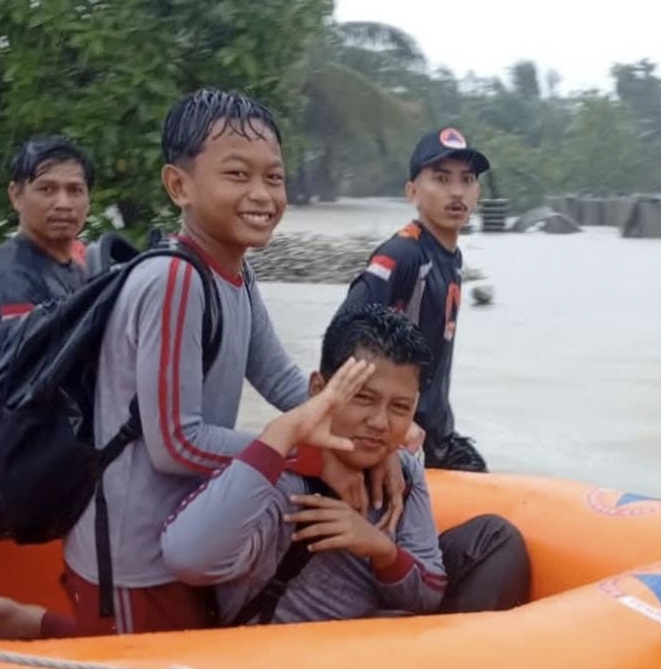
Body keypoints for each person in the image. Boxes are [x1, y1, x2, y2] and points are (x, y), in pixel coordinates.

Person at [59, 88, 399, 637]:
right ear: (180, 186)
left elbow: (283, 380)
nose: (262, 194)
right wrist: (309, 455)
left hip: (187, 534)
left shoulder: (236, 276)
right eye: (238, 175)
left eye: (274, 177)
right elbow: (175, 443)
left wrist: (363, 438)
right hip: (132, 556)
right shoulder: (174, 281)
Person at [161, 303, 531, 624]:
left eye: (399, 407)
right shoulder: (276, 482)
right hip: (287, 657)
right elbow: (187, 557)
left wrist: (380, 549)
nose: (381, 422)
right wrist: (289, 433)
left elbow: (428, 595)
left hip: (372, 643)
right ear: (320, 390)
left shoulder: (402, 470)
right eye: (362, 398)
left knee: (497, 538)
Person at [334, 127, 490, 472]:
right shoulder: (403, 254)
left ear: (478, 192)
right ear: (412, 191)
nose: (456, 192)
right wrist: (392, 422)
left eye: (467, 180)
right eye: (441, 178)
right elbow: (343, 335)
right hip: (396, 439)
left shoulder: (453, 258)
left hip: (434, 434)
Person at [0, 136, 92, 322]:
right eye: (47, 189)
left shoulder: (82, 272)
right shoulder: (8, 275)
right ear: (16, 195)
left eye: (75, 190)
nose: (63, 204)